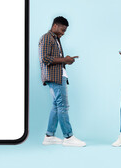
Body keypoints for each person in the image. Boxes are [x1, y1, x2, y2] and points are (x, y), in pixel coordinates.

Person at [39, 16, 86, 147]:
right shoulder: (47, 37)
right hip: (55, 77)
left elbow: (55, 59)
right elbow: (45, 58)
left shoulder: (56, 39)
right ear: (55, 26)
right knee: (63, 106)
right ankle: (68, 137)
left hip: (59, 75)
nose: (63, 33)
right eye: (62, 29)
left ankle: (49, 136)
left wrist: (67, 60)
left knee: (56, 106)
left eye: (65, 31)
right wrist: (64, 60)